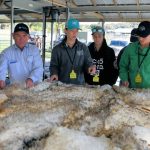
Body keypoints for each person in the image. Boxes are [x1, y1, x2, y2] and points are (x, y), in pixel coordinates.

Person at [49, 18, 96, 85]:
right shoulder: (57, 49)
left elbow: (88, 62)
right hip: (62, 86)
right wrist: (54, 74)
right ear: (65, 30)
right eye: (72, 30)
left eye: (76, 30)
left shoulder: (83, 47)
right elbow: (54, 65)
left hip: (79, 85)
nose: (75, 33)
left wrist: (90, 67)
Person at [0, 23, 43, 89]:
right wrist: (1, 81)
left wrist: (31, 79)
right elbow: (2, 70)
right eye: (18, 35)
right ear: (13, 36)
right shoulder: (6, 53)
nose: (21, 39)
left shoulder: (34, 50)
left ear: (28, 37)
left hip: (35, 88)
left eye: (24, 35)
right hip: (16, 90)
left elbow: (39, 68)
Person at [119, 21, 150, 88]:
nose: (140, 38)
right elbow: (122, 66)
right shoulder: (130, 48)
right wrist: (124, 79)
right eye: (139, 35)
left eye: (144, 36)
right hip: (132, 90)